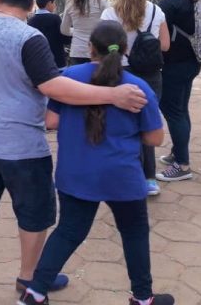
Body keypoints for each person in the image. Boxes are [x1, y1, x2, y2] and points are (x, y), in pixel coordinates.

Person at [0, 0, 148, 298]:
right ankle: (29, 279)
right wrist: (112, 95)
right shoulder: (29, 37)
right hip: (18, 145)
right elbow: (52, 86)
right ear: (32, 4)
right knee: (34, 210)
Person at [18, 21, 172, 305]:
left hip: (76, 172)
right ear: (125, 50)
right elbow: (155, 138)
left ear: (90, 48)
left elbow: (51, 121)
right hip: (122, 176)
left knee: (68, 231)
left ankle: (34, 293)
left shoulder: (68, 78)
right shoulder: (137, 87)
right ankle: (142, 297)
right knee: (134, 233)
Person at [101, 0, 169, 196]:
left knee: (121, 125)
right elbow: (165, 45)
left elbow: (104, 47)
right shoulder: (156, 11)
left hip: (121, 73)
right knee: (146, 124)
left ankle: (123, 174)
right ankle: (149, 179)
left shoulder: (110, 14)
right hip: (151, 75)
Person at [155, 0, 201, 183]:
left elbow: (157, 35)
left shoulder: (168, 4)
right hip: (192, 63)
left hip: (174, 65)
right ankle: (177, 152)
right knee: (181, 109)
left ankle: (182, 165)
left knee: (173, 111)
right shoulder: (193, 1)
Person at [61, 0, 109, 65]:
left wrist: (77, 31)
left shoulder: (70, 2)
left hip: (77, 50)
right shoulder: (102, 0)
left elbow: (64, 30)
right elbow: (110, 25)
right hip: (98, 49)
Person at [29, 0, 72, 68]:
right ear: (49, 3)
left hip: (38, 63)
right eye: (54, 3)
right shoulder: (55, 19)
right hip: (57, 61)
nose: (55, 5)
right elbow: (65, 38)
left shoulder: (31, 21)